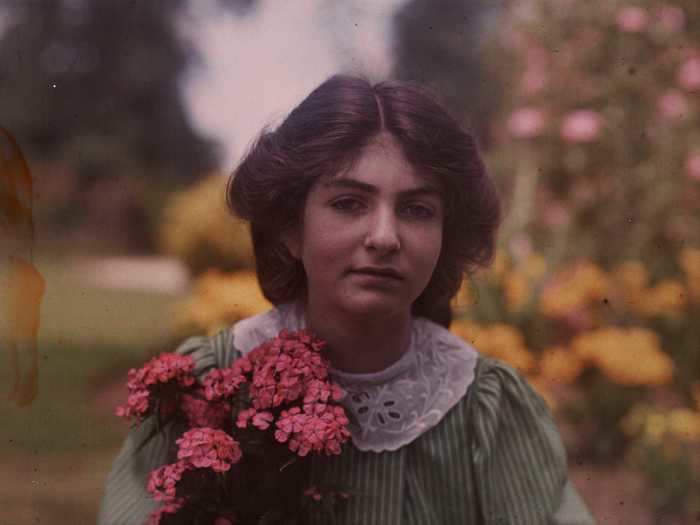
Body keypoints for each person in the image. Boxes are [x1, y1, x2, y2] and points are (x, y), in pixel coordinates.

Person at [98, 75, 595, 524]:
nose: (384, 237)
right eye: (349, 203)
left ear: (447, 234)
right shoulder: (210, 386)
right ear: (291, 227)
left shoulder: (486, 412)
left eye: (416, 209)